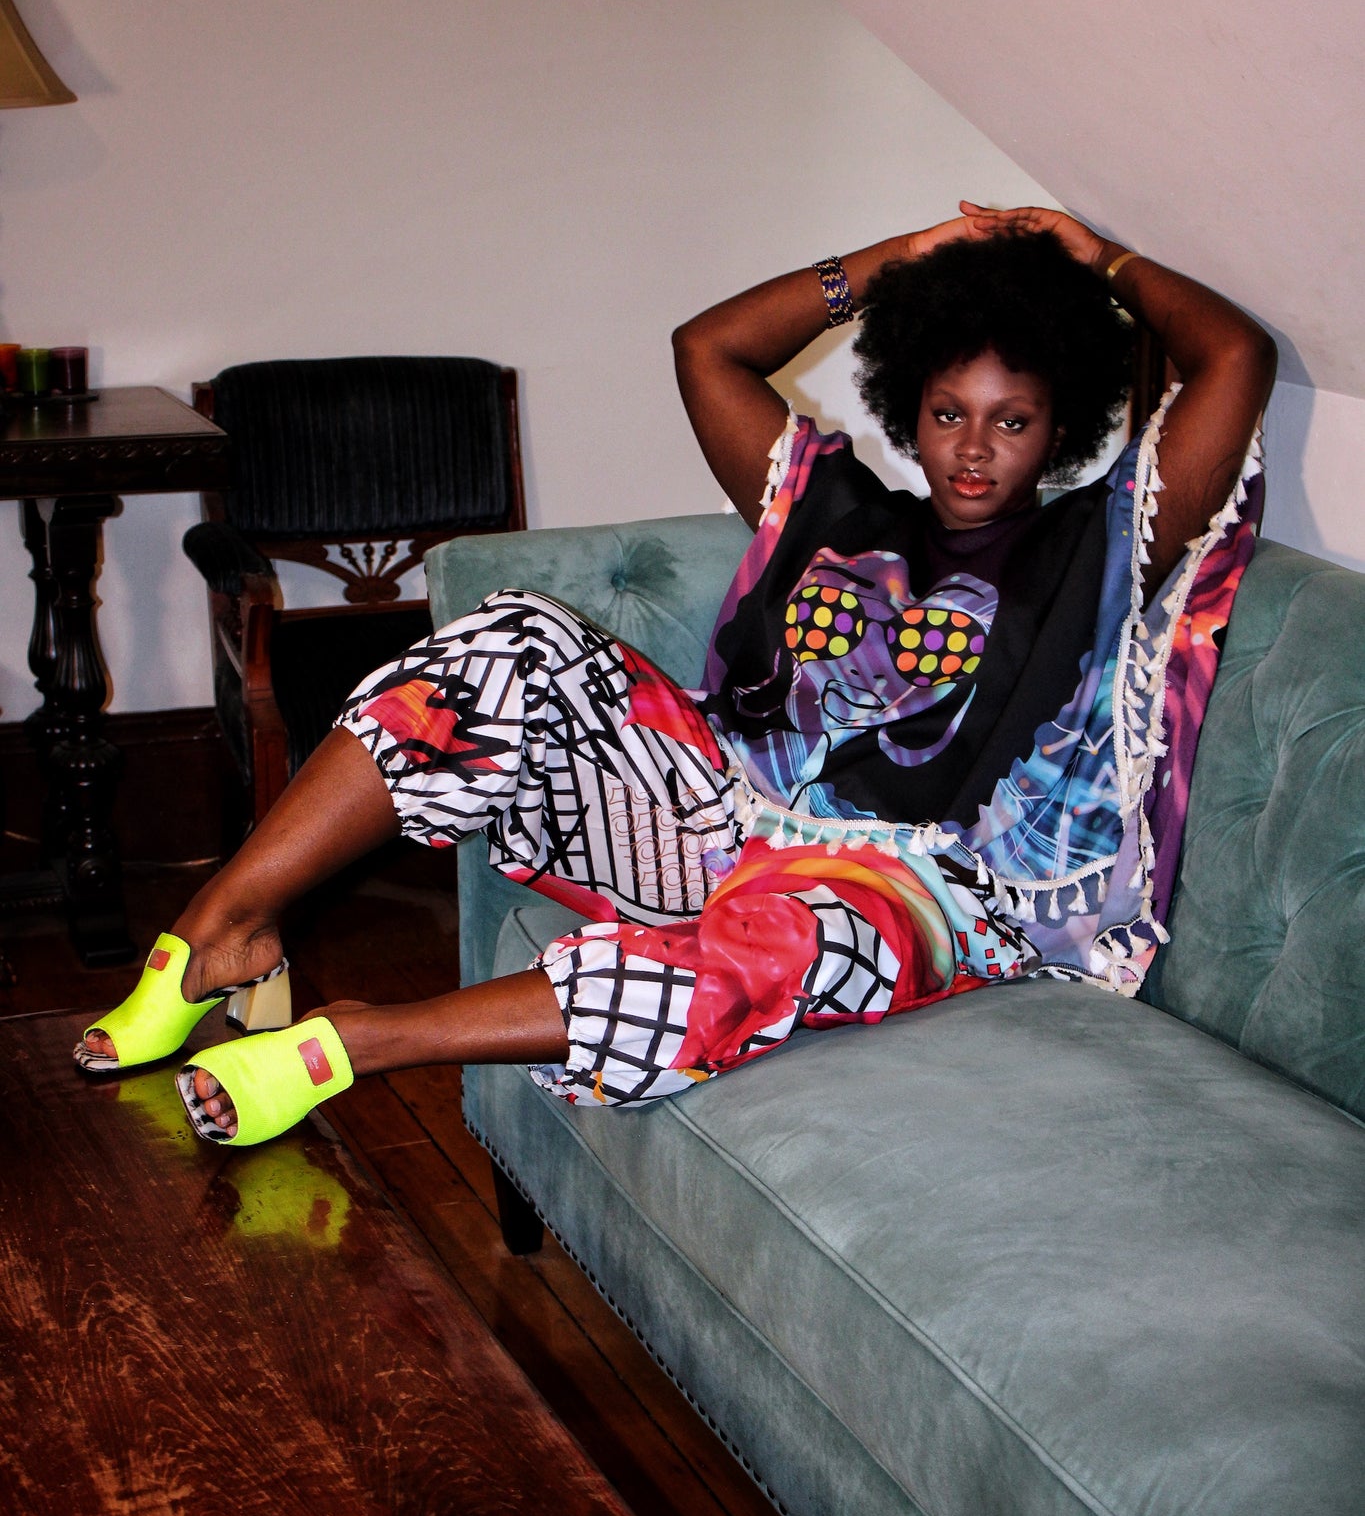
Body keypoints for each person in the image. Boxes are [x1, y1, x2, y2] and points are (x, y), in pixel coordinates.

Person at [75, 203, 1275, 1145]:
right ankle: (220, 927)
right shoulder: (839, 511)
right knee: (520, 634)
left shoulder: (1095, 550)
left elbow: (1232, 354)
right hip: (726, 824)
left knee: (792, 943)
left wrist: (1097, 258)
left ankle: (360, 1038)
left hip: (918, 893)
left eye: (1012, 421)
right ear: (910, 408)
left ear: (1059, 428)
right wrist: (911, 259)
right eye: (949, 411)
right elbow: (708, 348)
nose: (973, 448)